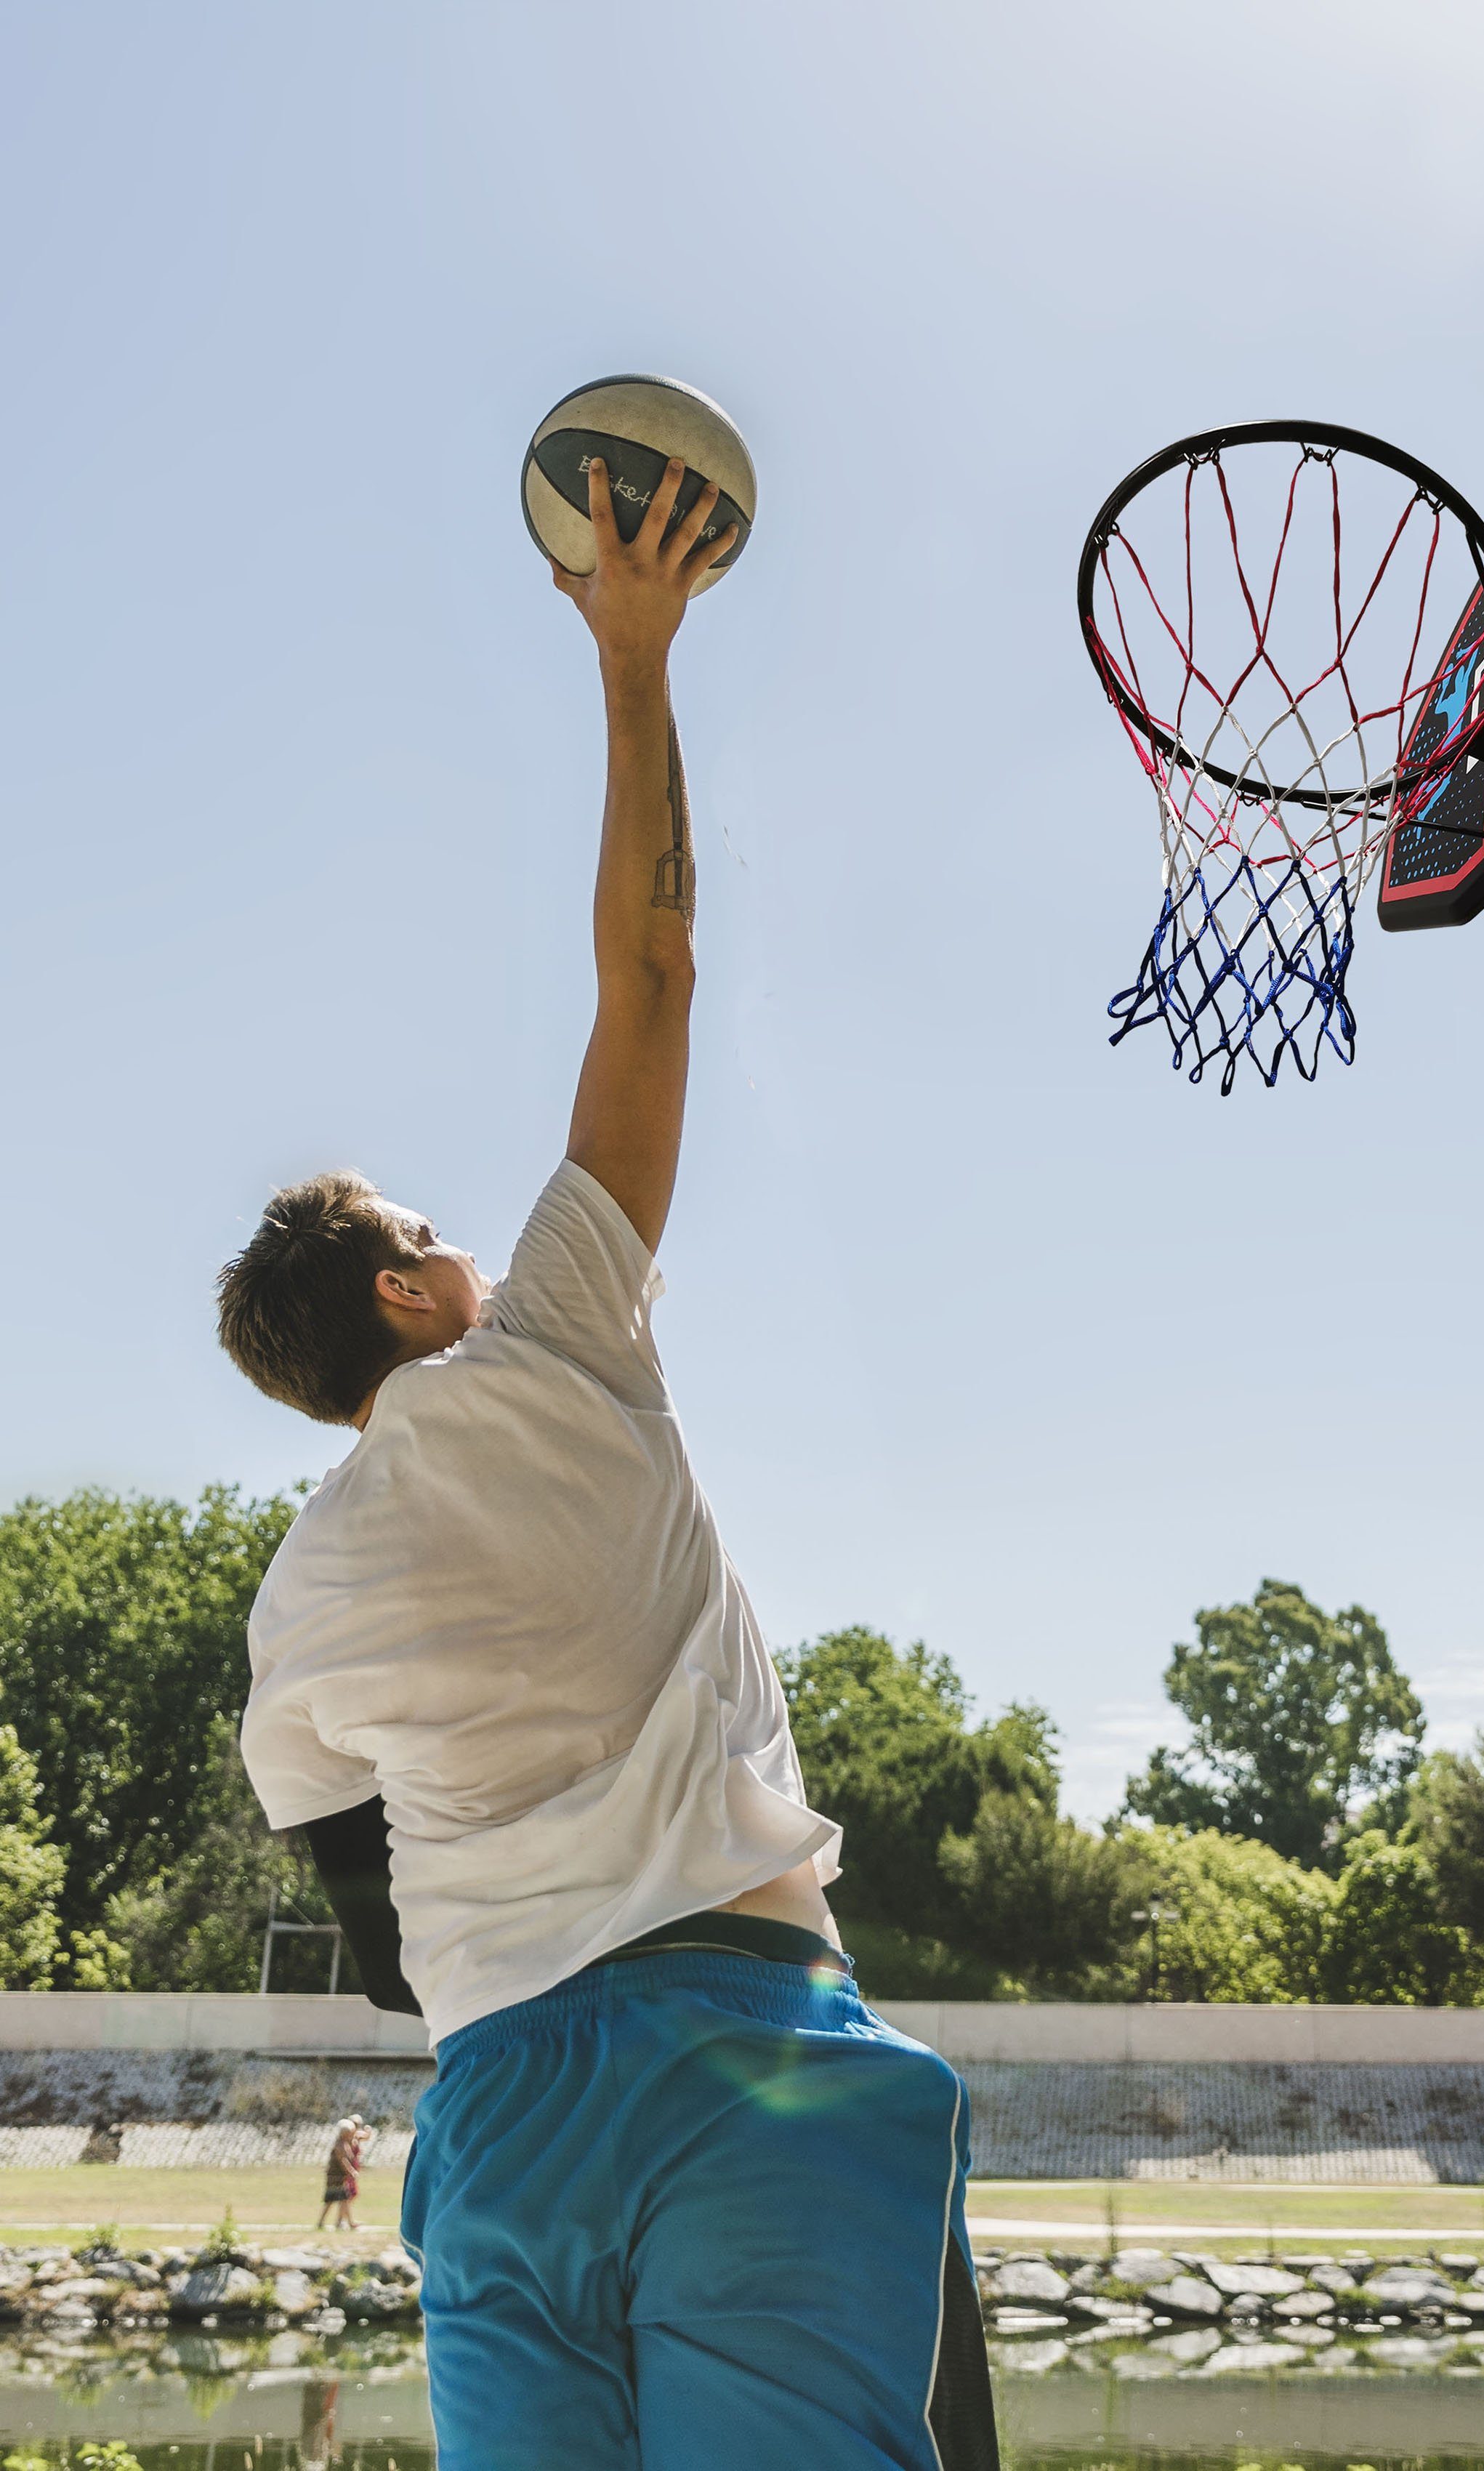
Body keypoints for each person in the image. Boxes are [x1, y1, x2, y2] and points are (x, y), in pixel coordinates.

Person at [218, 458, 996, 2471]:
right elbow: (647, 972)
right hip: (744, 2057)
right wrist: (634, 660)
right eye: (420, 1227)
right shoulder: (553, 1332)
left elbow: (370, 1916)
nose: (458, 1233)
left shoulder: (298, 1603)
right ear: (406, 1299)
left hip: (498, 2113)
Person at [318, 2115, 363, 2233]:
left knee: (344, 2199)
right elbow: (343, 2161)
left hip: (340, 2178)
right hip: (335, 2177)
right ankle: (322, 2222)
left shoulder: (345, 2144)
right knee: (331, 2200)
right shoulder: (340, 2145)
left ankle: (343, 2222)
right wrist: (351, 2172)